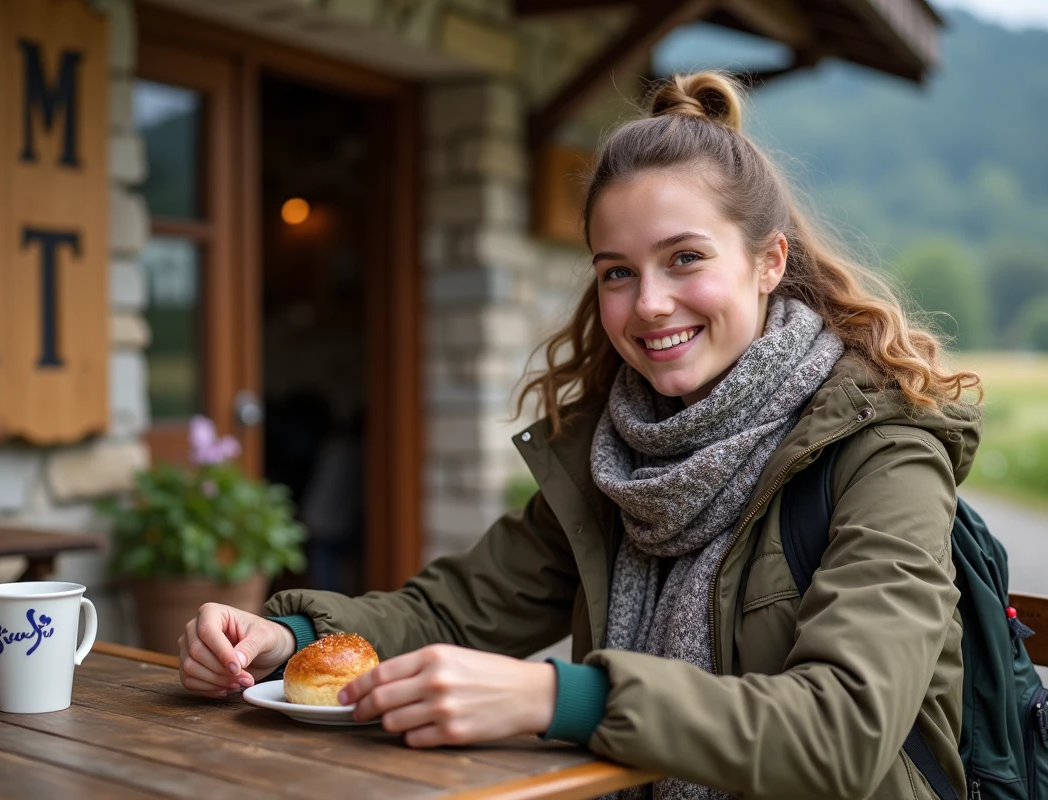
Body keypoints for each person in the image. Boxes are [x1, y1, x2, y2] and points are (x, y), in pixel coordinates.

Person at [177, 72, 983, 800]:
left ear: (768, 262)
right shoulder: (619, 457)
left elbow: (845, 732)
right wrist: (292, 639)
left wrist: (555, 697)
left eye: (685, 258)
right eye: (618, 271)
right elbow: (457, 608)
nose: (650, 303)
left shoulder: (885, 452)